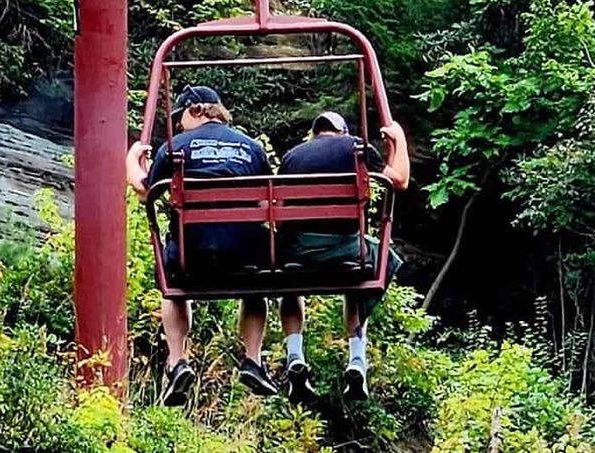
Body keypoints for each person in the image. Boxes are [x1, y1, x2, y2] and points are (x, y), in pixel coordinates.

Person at [126, 85, 280, 406]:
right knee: (256, 287)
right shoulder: (252, 149)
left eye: (180, 118)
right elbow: (270, 197)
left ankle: (177, 360)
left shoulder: (176, 147)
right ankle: (253, 358)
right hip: (245, 258)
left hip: (190, 258)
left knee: (172, 287)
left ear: (196, 110)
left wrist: (132, 161)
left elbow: (145, 192)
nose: (178, 126)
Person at [276, 110, 410, 403]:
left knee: (290, 283)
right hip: (346, 250)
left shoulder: (292, 157)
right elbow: (399, 180)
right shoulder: (357, 147)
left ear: (317, 133)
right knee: (367, 271)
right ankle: (357, 359)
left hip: (300, 251)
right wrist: (399, 141)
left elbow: (280, 207)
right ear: (342, 131)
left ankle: (295, 355)